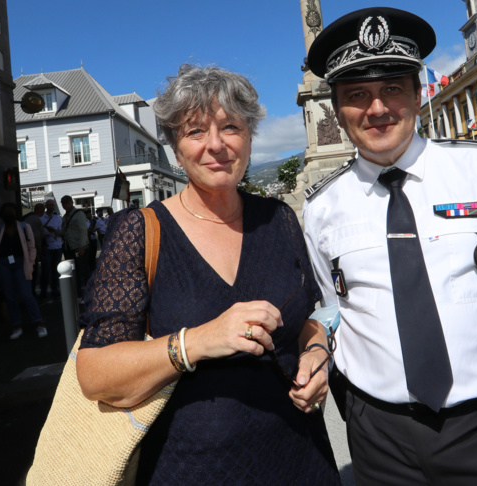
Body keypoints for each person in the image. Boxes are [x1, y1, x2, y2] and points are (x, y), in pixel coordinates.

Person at [302, 8, 477, 485]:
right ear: (337, 111)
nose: (376, 109)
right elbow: (335, 306)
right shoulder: (322, 208)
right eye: (357, 95)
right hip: (382, 441)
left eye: (392, 90)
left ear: (418, 94)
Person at [75, 64, 341, 485]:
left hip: (301, 460)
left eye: (231, 127)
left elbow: (308, 320)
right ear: (175, 150)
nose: (215, 145)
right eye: (195, 131)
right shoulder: (140, 231)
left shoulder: (279, 220)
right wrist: (199, 340)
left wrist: (316, 355)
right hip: (190, 469)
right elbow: (94, 375)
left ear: (250, 138)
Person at [0, 203, 46, 339]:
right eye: (7, 213)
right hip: (3, 264)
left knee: (26, 294)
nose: (9, 216)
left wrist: (31, 262)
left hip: (20, 262)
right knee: (10, 297)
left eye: (12, 213)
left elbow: (32, 247)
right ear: (2, 216)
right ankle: (16, 326)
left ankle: (39, 323)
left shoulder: (25, 227)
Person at [59, 195, 89, 297]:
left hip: (77, 247)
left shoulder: (79, 214)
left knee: (82, 272)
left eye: (67, 202)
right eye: (63, 203)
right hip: (68, 247)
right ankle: (77, 294)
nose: (65, 205)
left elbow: (83, 231)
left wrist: (82, 246)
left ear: (71, 202)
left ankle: (88, 293)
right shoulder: (65, 217)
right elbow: (64, 231)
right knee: (72, 272)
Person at [39, 199, 63, 299]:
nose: (51, 207)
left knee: (56, 270)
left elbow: (62, 231)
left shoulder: (58, 218)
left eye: (52, 205)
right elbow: (39, 234)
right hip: (47, 246)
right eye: (49, 205)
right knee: (46, 270)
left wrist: (55, 231)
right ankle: (43, 291)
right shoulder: (41, 218)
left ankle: (55, 289)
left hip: (58, 246)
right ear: (46, 206)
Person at [23, 203, 47, 296]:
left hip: (25, 249)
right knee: (33, 272)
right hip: (33, 250)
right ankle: (31, 292)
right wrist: (38, 251)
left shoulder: (26, 218)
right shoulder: (36, 219)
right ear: (40, 210)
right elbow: (37, 237)